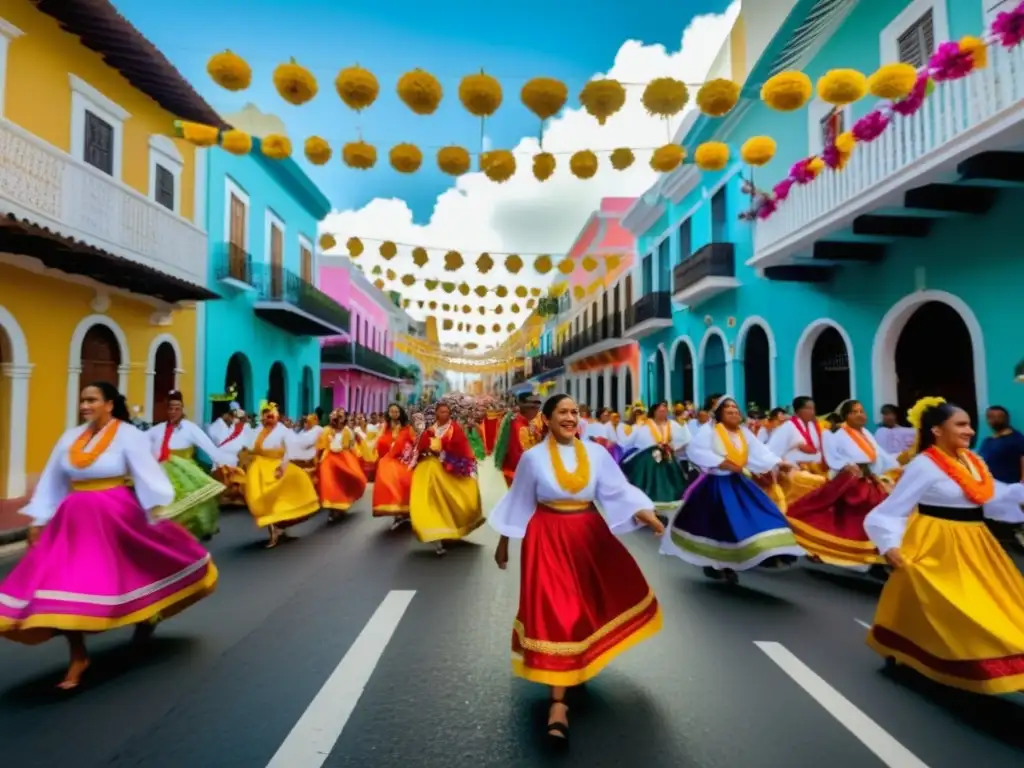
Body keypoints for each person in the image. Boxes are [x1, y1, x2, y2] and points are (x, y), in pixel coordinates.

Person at [0, 382, 218, 689]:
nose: (85, 406)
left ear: (109, 404)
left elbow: (147, 473)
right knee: (63, 582)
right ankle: (78, 655)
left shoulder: (129, 435)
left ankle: (145, 618)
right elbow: (53, 479)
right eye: (82, 401)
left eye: (92, 400)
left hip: (117, 514)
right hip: (74, 519)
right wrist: (39, 519)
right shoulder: (70, 438)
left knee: (133, 570)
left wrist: (155, 510)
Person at [490, 394, 665, 743]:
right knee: (557, 612)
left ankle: (577, 663)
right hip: (546, 539)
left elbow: (617, 491)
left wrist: (649, 517)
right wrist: (504, 541)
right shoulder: (533, 458)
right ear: (548, 419)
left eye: (574, 412)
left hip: (588, 535)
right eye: (562, 412)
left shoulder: (596, 453)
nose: (570, 418)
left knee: (587, 605)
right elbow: (520, 501)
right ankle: (558, 704)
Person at [863, 398, 1024, 695]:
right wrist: (890, 545)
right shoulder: (924, 465)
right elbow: (891, 509)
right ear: (937, 430)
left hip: (977, 542)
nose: (970, 431)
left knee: (1003, 604)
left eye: (969, 424)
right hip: (937, 545)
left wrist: (1018, 494)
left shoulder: (972, 461)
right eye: (961, 425)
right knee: (963, 610)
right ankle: (987, 663)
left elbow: (989, 495)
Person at [661, 396, 802, 584]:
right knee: (721, 527)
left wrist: (778, 463)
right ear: (720, 414)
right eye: (729, 411)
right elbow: (697, 450)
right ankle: (717, 565)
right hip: (716, 486)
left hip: (740, 484)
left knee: (762, 515)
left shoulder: (744, 433)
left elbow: (760, 452)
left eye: (736, 411)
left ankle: (768, 553)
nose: (734, 414)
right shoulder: (710, 432)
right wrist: (722, 463)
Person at [786, 400, 897, 568]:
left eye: (862, 411)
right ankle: (850, 550)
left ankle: (872, 549)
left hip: (868, 476)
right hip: (848, 478)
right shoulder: (834, 433)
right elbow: (832, 457)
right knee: (855, 509)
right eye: (855, 411)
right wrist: (847, 465)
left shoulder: (866, 433)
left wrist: (898, 465)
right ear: (847, 415)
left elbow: (880, 456)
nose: (861, 414)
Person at [148, 390, 238, 540]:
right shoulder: (158, 429)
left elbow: (209, 448)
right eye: (171, 408)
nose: (173, 412)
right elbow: (141, 444)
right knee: (164, 508)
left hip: (185, 472)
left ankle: (187, 536)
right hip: (163, 473)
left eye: (177, 408)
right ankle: (171, 537)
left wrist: (225, 465)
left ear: (182, 410)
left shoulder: (190, 428)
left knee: (191, 506)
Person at [410, 401, 485, 555]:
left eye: (446, 412)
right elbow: (419, 448)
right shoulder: (429, 429)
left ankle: (450, 528)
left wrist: (445, 454)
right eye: (441, 412)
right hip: (429, 470)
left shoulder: (454, 429)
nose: (444, 414)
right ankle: (434, 531)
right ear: (436, 413)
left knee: (452, 501)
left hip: (449, 471)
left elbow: (463, 450)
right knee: (428, 500)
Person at [244, 401, 321, 548]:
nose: (267, 419)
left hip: (276, 467)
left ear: (276, 416)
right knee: (261, 499)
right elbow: (249, 445)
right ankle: (275, 529)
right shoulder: (258, 430)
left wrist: (283, 467)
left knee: (277, 499)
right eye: (265, 416)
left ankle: (276, 530)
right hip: (259, 469)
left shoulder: (284, 431)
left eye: (270, 416)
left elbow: (289, 450)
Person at [620, 401, 692, 514]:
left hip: (667, 456)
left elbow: (685, 438)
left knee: (671, 481)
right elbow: (629, 441)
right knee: (647, 480)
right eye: (660, 410)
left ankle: (669, 502)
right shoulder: (644, 424)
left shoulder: (671, 424)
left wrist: (672, 446)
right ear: (654, 411)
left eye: (665, 410)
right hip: (648, 457)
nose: (663, 413)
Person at [766, 396, 829, 506]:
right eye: (808, 408)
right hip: (792, 472)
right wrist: (783, 467)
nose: (812, 412)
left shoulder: (814, 426)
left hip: (814, 469)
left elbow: (817, 449)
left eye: (813, 408)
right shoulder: (787, 428)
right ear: (798, 411)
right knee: (820, 482)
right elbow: (772, 452)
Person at [373, 403, 417, 529]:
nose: (394, 414)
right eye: (391, 411)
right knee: (389, 481)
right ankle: (397, 512)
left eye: (396, 411)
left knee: (404, 484)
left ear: (400, 413)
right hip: (389, 459)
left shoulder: (407, 428)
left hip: (404, 461)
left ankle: (405, 512)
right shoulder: (385, 427)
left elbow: (414, 442)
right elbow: (379, 441)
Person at [318, 411, 367, 520]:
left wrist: (357, 456)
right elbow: (322, 446)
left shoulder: (347, 431)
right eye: (336, 417)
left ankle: (341, 506)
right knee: (330, 482)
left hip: (343, 459)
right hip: (330, 459)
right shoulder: (327, 430)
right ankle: (332, 508)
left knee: (343, 482)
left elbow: (351, 446)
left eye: (340, 417)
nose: (337, 419)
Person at [495, 394, 543, 487]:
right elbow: (518, 453)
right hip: (517, 471)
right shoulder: (518, 426)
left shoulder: (522, 422)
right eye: (535, 409)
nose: (537, 413)